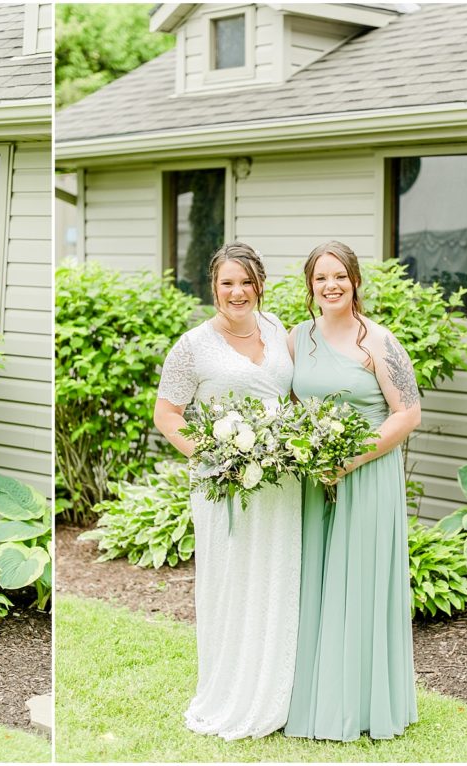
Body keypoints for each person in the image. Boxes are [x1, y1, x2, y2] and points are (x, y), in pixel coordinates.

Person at [153, 242, 302, 740]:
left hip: (280, 482)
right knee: (232, 582)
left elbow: (294, 397)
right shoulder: (192, 345)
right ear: (213, 288)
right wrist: (215, 457)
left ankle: (278, 689)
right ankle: (231, 691)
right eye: (226, 283)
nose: (237, 292)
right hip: (225, 486)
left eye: (246, 282)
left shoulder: (280, 330)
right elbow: (167, 415)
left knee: (278, 577)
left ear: (260, 284)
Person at [284, 240, 420, 741]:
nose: (331, 285)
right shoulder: (298, 338)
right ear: (310, 286)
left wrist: (353, 458)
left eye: (339, 275)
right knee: (317, 584)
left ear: (356, 281)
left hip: (367, 474)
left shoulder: (379, 342)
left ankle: (362, 706)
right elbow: (293, 402)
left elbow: (408, 413)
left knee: (359, 584)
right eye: (321, 278)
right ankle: (316, 698)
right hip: (314, 478)